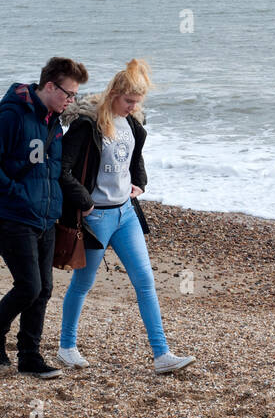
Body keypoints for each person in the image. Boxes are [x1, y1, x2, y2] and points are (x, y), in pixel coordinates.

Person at [57, 59, 194, 374]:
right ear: (114, 93)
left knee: (145, 281)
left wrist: (140, 184)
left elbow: (136, 157)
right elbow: (62, 170)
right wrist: (85, 203)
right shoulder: (87, 125)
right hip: (96, 219)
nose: (134, 107)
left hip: (126, 215)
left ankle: (162, 356)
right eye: (129, 101)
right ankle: (67, 347)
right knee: (83, 283)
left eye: (138, 102)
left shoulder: (132, 124)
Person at [0, 56, 89, 379]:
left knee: (44, 289)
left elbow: (52, 172)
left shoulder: (54, 121)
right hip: (12, 216)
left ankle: (29, 356)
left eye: (75, 96)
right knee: (29, 286)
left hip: (45, 219)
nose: (71, 101)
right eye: (68, 94)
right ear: (49, 86)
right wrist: (16, 193)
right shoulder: (13, 114)